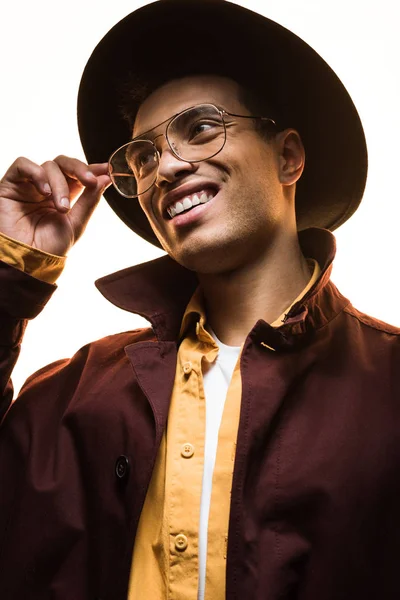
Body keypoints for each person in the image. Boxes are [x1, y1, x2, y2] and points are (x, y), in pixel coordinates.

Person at [0, 1, 399, 599]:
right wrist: (11, 276)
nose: (165, 168)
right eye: (143, 155)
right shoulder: (69, 398)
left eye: (201, 128)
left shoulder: (389, 385)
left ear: (288, 156)